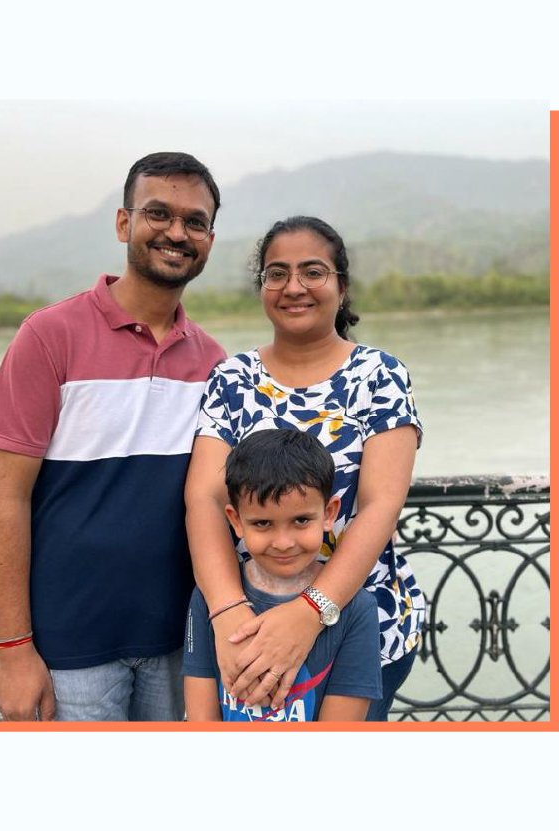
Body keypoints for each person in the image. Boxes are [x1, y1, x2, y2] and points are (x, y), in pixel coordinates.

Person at [0, 152, 227, 721]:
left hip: (177, 646)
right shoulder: (49, 336)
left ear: (210, 239)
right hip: (68, 649)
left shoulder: (214, 362)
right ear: (124, 223)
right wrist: (13, 650)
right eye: (158, 213)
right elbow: (3, 497)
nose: (176, 232)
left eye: (195, 221)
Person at [185, 216, 424, 722]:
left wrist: (310, 613)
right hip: (246, 619)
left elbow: (380, 506)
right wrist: (228, 613)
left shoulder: (379, 375)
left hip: (359, 623)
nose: (293, 287)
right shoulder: (232, 379)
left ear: (341, 285)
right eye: (276, 273)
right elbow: (205, 498)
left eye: (313, 272)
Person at [183, 430, 380, 722]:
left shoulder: (358, 610)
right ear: (235, 520)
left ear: (329, 513)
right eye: (263, 523)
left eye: (301, 520)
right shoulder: (208, 599)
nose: (283, 542)